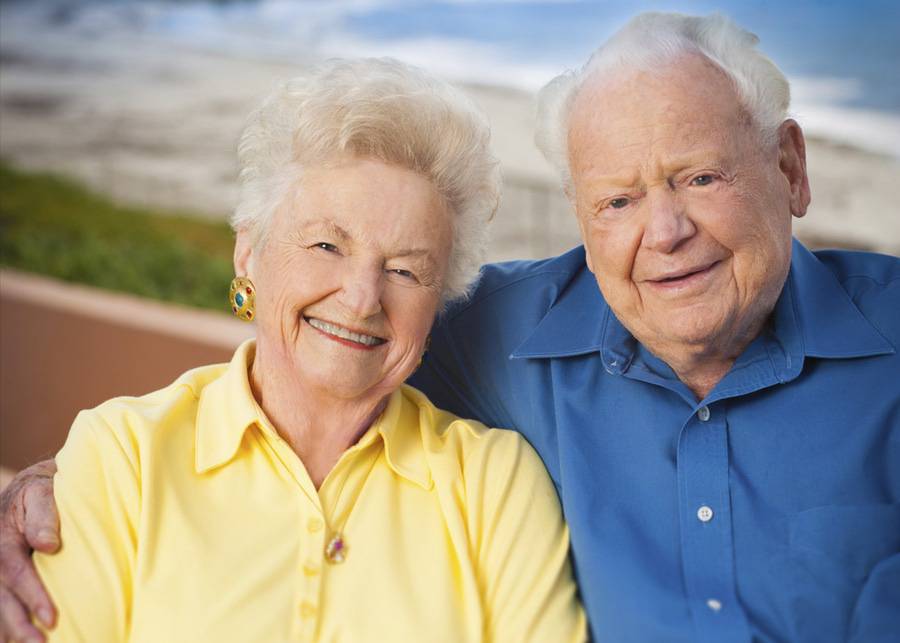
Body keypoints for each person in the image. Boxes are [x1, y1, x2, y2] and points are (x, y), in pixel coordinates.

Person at [3, 10, 900, 643]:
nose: (661, 233)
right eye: (618, 199)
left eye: (701, 177)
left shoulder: (488, 482)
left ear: (789, 166)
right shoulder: (510, 332)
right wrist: (73, 479)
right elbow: (316, 355)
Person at [0, 58, 586, 642]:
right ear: (248, 253)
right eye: (327, 244)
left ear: (440, 304)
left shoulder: (493, 483)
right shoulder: (122, 455)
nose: (361, 299)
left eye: (406, 271)